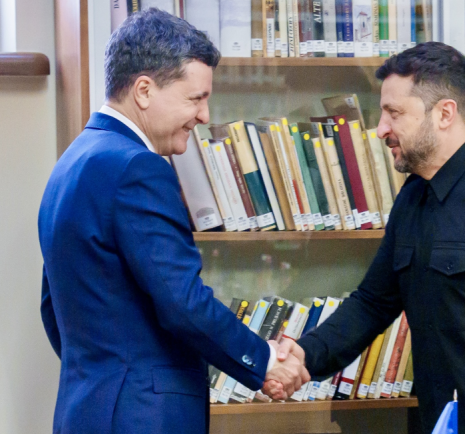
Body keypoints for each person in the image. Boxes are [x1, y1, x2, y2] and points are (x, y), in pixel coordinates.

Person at [270, 42, 465, 434]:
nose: (381, 129)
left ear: (444, 114)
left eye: (394, 113)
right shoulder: (412, 198)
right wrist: (305, 355)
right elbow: (373, 302)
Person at [38, 9, 307, 434]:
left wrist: (108, 376)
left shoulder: (73, 162)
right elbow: (182, 302)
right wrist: (265, 360)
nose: (204, 115)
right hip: (142, 417)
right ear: (144, 90)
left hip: (87, 411)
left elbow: (53, 308)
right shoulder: (137, 168)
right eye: (195, 98)